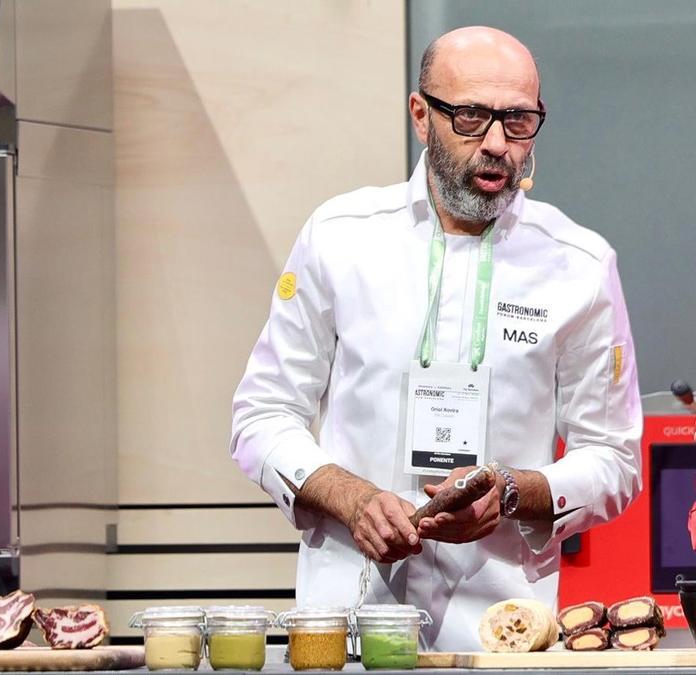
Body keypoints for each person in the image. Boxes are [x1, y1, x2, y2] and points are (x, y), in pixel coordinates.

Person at [230, 27, 641, 650]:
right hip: (348, 624)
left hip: (502, 631)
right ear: (421, 115)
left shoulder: (579, 265)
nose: (499, 145)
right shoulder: (340, 237)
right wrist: (352, 498)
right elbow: (261, 415)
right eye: (473, 117)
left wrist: (509, 492)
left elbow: (614, 459)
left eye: (520, 120)